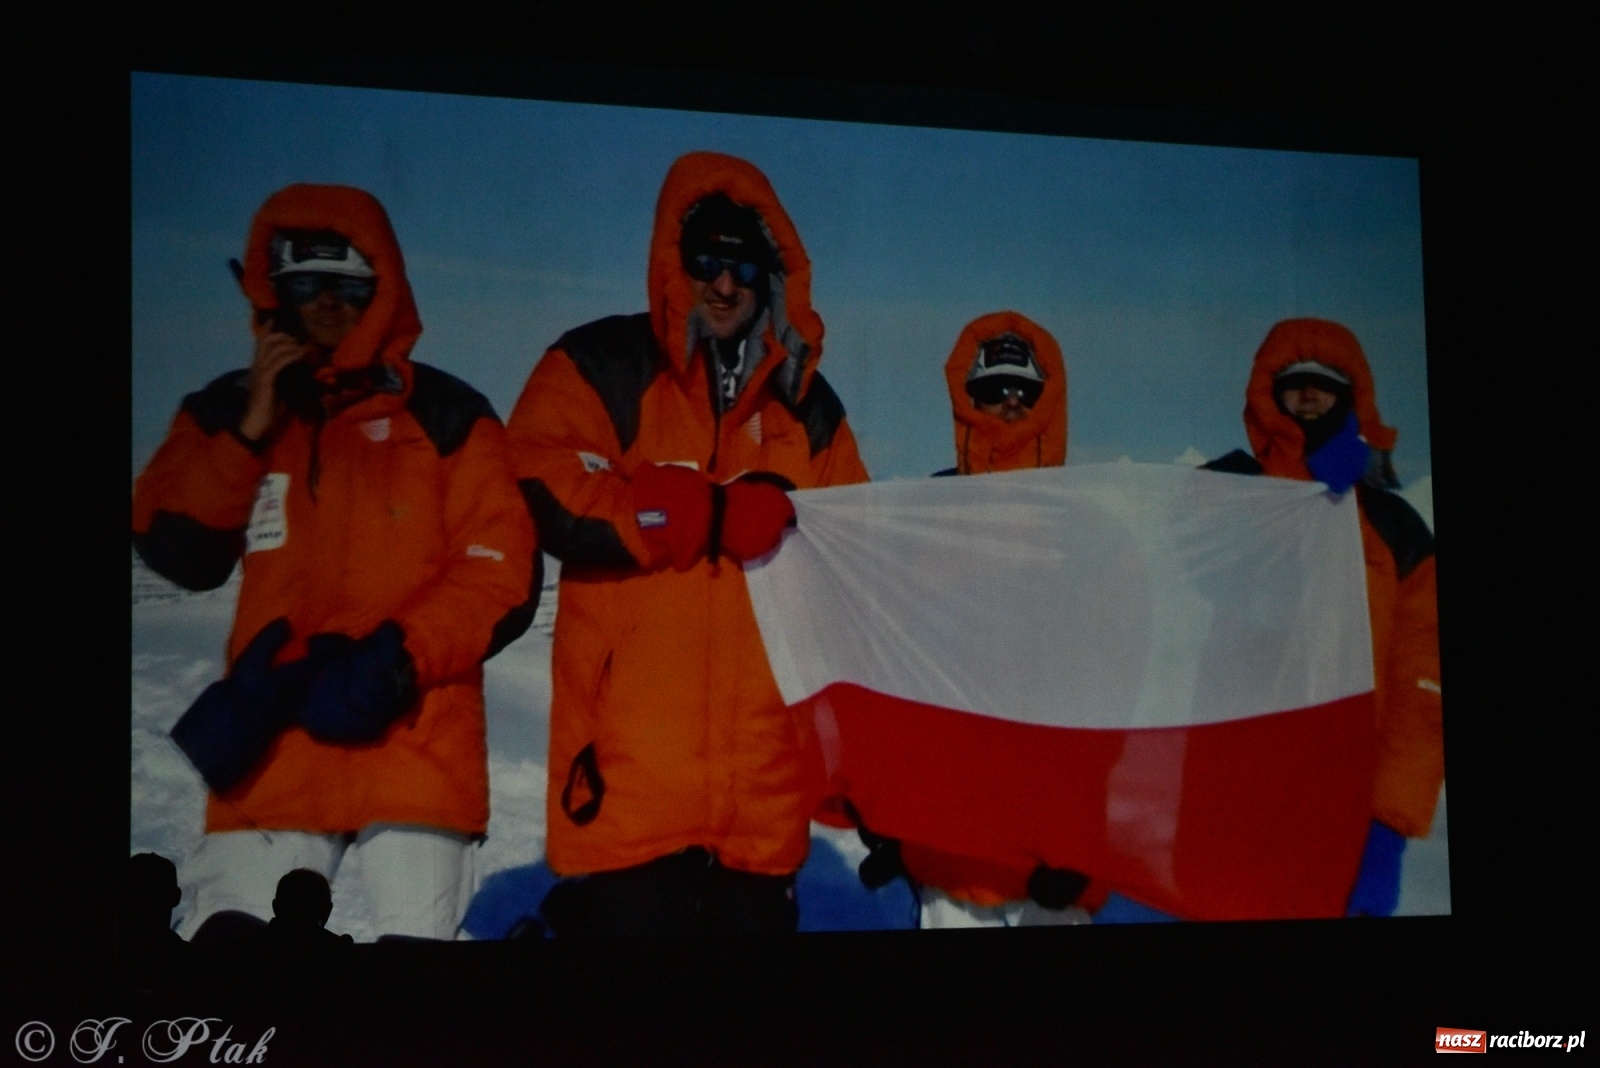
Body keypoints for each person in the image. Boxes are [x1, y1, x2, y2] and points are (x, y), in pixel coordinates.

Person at [132, 184, 537, 941]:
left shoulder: (450, 414)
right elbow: (177, 548)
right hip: (271, 748)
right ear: (271, 288)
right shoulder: (226, 409)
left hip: (415, 739)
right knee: (233, 960)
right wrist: (250, 429)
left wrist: (394, 662)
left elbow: (501, 571)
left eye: (348, 284)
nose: (327, 303)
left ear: (382, 288)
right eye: (305, 283)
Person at [506, 151, 869, 936]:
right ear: (675, 263)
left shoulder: (810, 411)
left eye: (742, 262)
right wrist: (688, 516)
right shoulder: (601, 365)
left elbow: (855, 569)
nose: (725, 282)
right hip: (628, 792)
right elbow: (534, 474)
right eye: (706, 259)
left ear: (771, 273)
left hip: (761, 805)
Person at [1204, 317, 1442, 917]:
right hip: (1234, 797)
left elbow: (1423, 691)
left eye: (1326, 383)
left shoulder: (1395, 529)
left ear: (1351, 396)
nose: (1309, 396)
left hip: (1348, 808)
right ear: (1269, 394)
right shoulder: (1227, 501)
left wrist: (1388, 827)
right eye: (1295, 382)